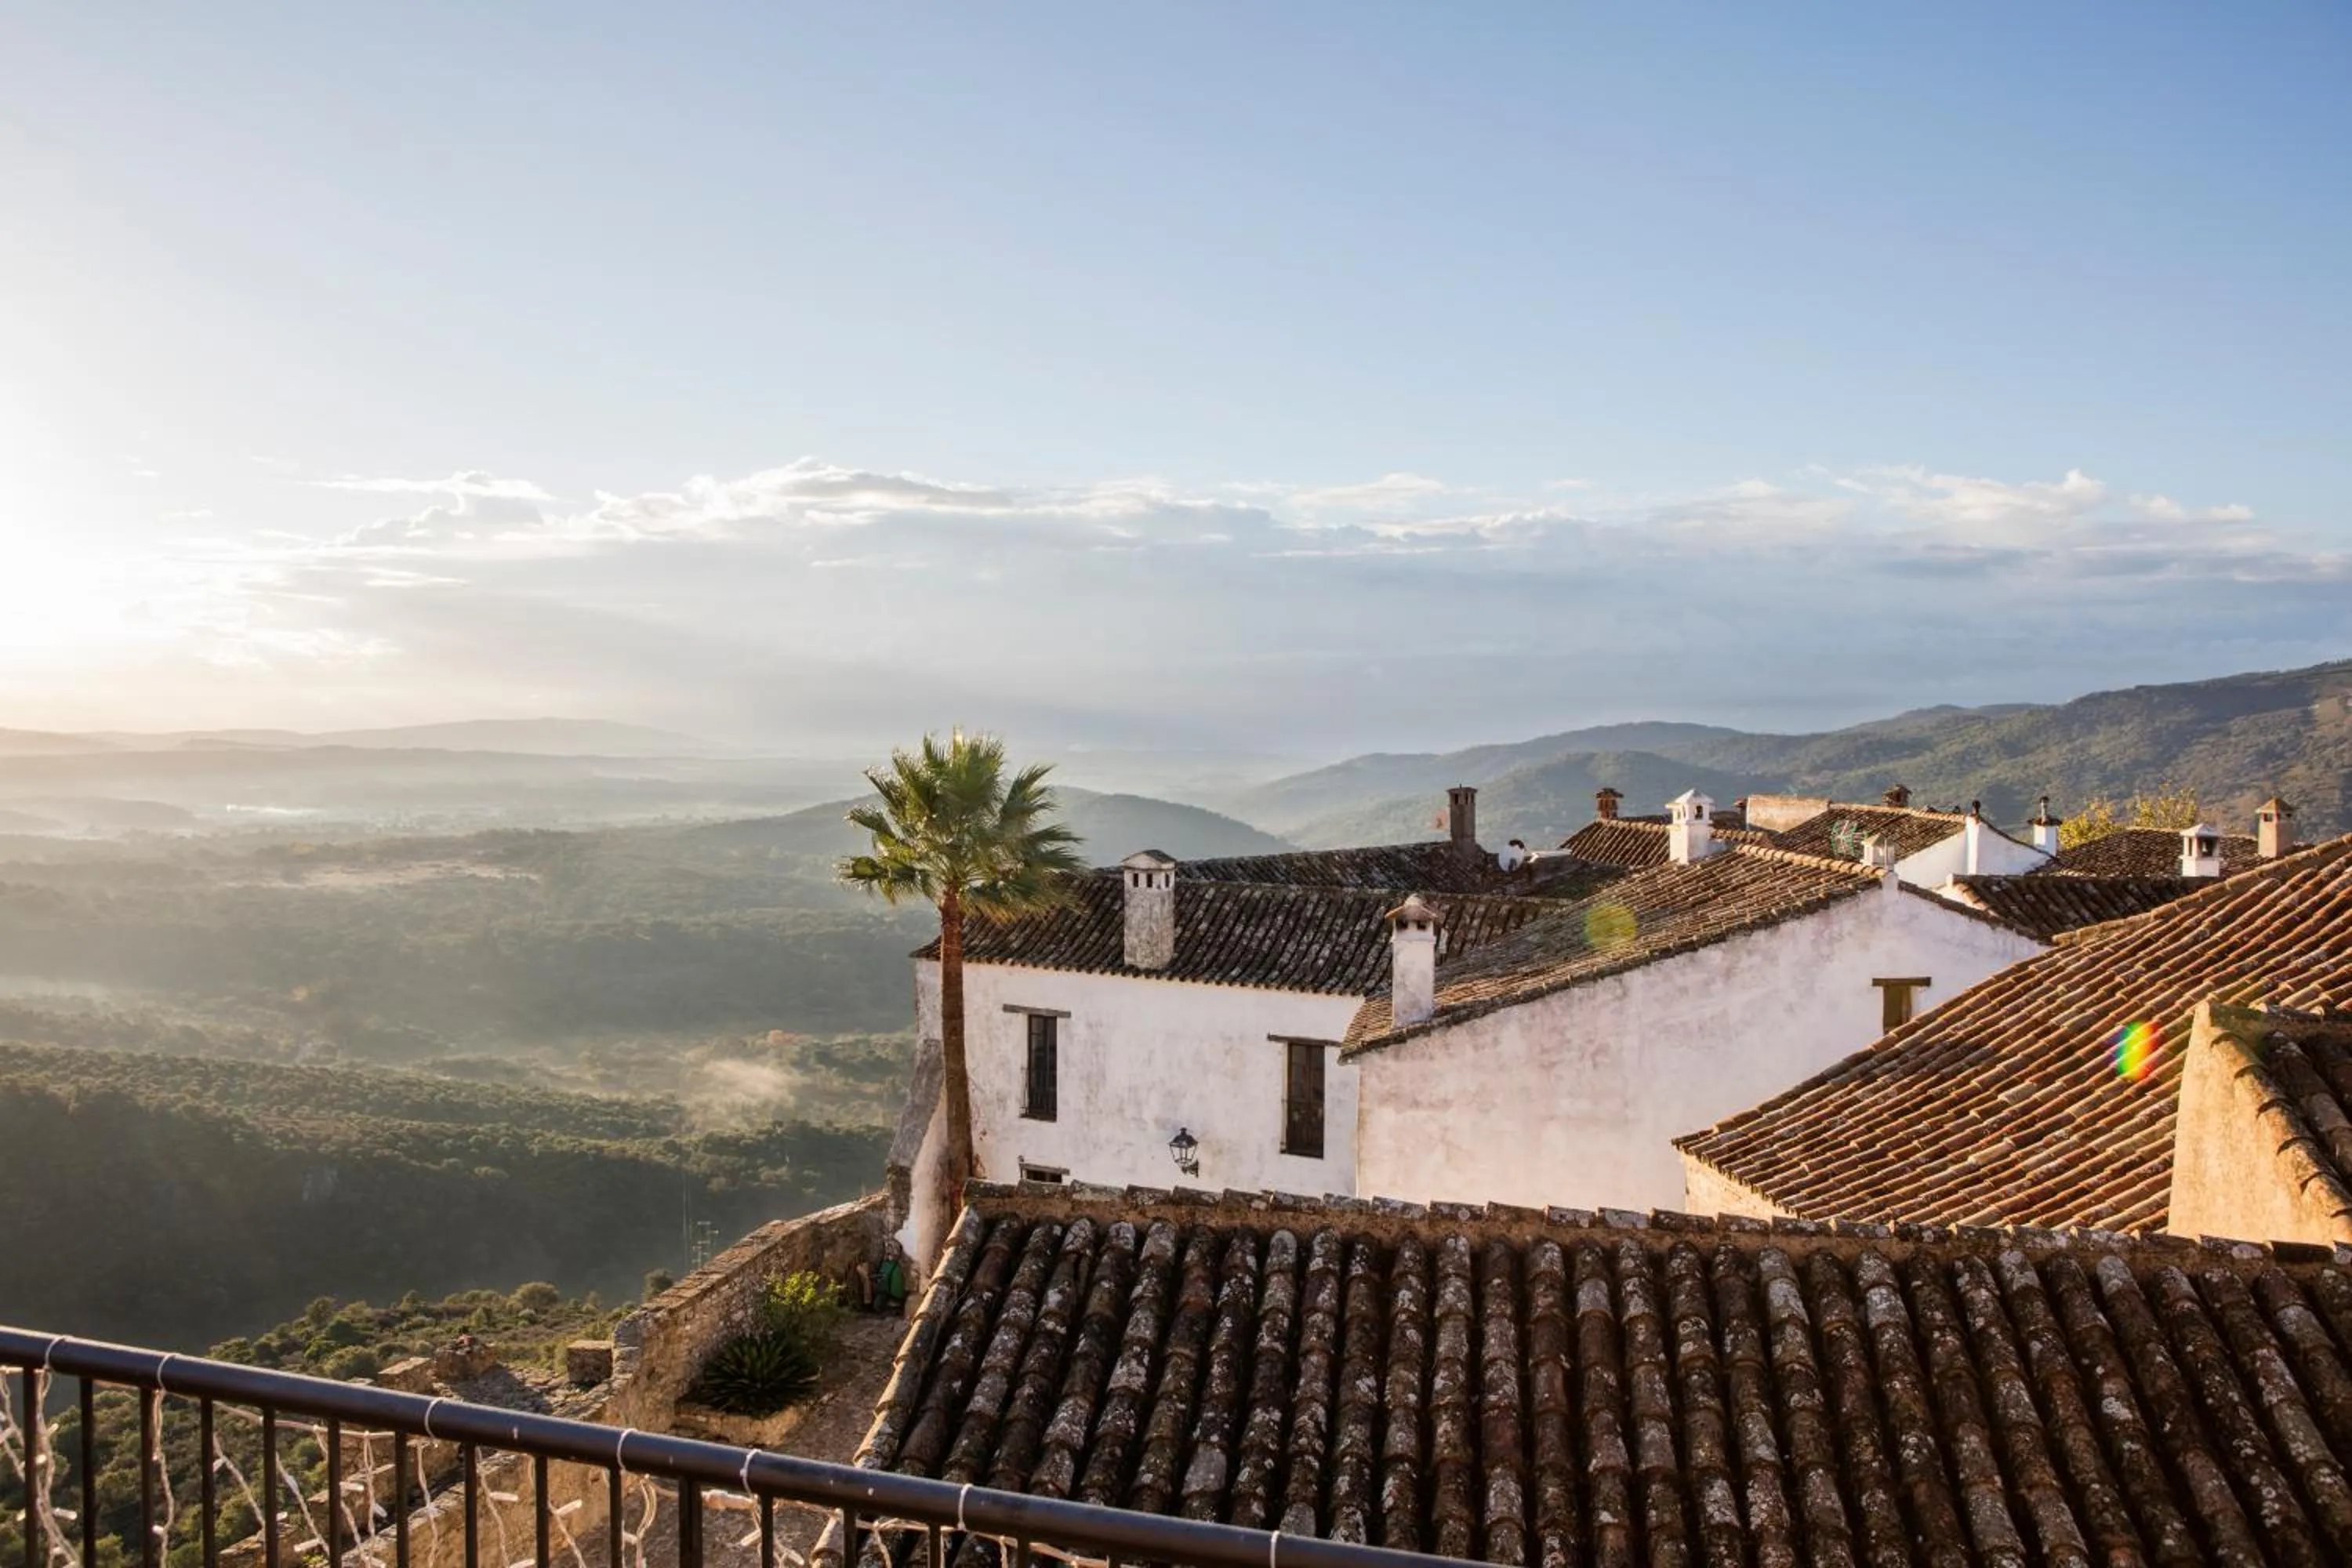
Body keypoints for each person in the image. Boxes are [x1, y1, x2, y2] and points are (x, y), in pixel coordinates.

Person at [854, 1237, 912, 1316]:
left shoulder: (895, 1267)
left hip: (890, 1293)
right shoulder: (886, 1264)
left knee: (878, 1305)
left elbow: (886, 1278)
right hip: (883, 1288)